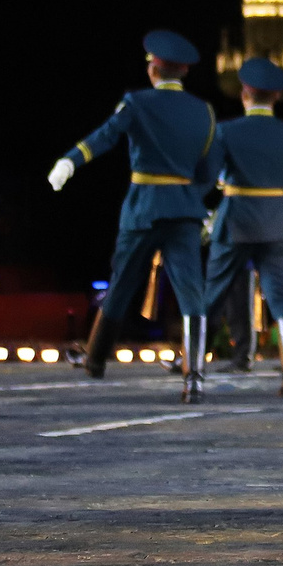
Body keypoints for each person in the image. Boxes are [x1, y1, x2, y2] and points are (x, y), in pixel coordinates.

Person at [47, 29, 217, 399]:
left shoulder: (136, 103)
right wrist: (192, 198)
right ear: (184, 72)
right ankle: (194, 376)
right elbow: (209, 169)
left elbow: (105, 136)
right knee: (192, 292)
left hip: (144, 207)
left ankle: (95, 360)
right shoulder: (204, 111)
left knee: (122, 282)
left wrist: (70, 161)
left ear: (153, 69)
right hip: (184, 210)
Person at [200, 56, 283, 399]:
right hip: (277, 221)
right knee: (282, 298)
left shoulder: (226, 131)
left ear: (244, 94)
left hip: (236, 219)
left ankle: (193, 367)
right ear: (276, 97)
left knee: (213, 295)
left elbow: (208, 178)